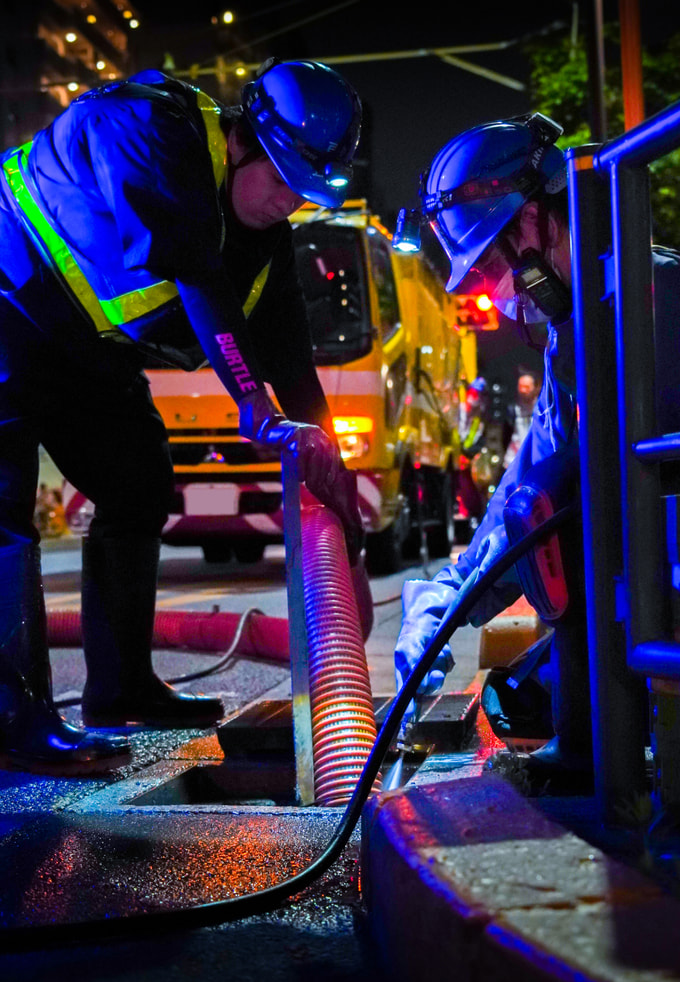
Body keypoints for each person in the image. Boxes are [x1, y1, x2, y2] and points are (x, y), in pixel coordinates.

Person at [0, 59, 364, 774]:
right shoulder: (150, 126)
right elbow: (195, 271)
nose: (289, 202)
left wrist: (335, 475)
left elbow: (291, 356)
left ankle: (121, 691)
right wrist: (252, 404)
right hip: (9, 298)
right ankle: (13, 719)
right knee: (4, 508)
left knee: (138, 480)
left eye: (305, 193)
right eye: (283, 179)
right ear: (242, 140)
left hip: (83, 349)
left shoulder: (266, 241)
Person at [393, 111, 680, 783]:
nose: (494, 290)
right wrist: (449, 595)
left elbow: (581, 474)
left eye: (491, 265)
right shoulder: (573, 325)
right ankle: (594, 757)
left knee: (560, 513)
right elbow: (530, 473)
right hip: (648, 574)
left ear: (531, 220)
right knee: (527, 685)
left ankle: (618, 778)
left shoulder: (652, 293)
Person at [502, 369, 542, 470]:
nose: (523, 390)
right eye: (521, 386)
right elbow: (505, 435)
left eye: (527, 387)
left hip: (535, 461)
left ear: (536, 388)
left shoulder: (541, 409)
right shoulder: (512, 408)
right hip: (513, 461)